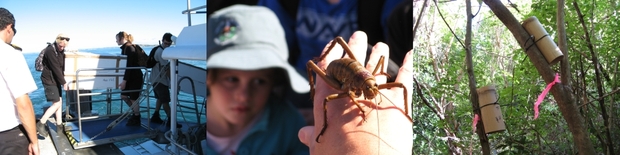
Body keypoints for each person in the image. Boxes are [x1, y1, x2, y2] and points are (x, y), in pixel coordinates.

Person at [204, 5, 309, 155]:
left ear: (274, 82)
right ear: (209, 76)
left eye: (260, 81)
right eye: (232, 79)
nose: (244, 95)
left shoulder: (289, 123)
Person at [297, 31, 414, 154]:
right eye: (370, 89)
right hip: (336, 75)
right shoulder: (352, 87)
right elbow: (344, 96)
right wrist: (360, 108)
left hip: (357, 72)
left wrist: (405, 114)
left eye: (374, 87)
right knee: (312, 65)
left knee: (400, 85)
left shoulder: (371, 81)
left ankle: (405, 113)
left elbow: (401, 85)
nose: (373, 92)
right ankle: (319, 66)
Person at [0, 7, 40, 155]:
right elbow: (23, 104)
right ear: (9, 27)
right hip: (8, 134)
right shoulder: (9, 53)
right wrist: (34, 141)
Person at [36, 33, 70, 138]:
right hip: (49, 80)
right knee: (56, 104)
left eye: (64, 46)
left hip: (55, 80)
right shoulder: (50, 50)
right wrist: (64, 82)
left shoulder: (60, 51)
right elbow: (55, 68)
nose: (62, 48)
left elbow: (61, 66)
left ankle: (59, 126)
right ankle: (41, 123)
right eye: (61, 46)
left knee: (59, 102)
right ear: (57, 41)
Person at [147, 33, 181, 128]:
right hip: (160, 81)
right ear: (162, 41)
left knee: (160, 99)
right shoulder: (161, 52)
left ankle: (155, 116)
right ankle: (171, 121)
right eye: (165, 43)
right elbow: (166, 69)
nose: (167, 45)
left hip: (154, 79)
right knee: (165, 101)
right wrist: (173, 82)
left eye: (169, 44)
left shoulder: (158, 49)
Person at [116, 31, 144, 126]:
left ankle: (137, 117)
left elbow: (129, 66)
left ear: (122, 38)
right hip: (130, 77)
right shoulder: (125, 48)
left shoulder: (129, 49)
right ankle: (135, 113)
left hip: (135, 77)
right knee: (124, 96)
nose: (116, 41)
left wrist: (124, 81)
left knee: (133, 99)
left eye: (117, 39)